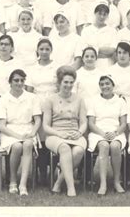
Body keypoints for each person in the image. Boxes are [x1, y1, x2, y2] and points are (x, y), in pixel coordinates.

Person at [42, 66, 87, 197]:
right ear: (59, 83)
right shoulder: (50, 99)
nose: (68, 85)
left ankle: (58, 183)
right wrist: (59, 134)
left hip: (74, 133)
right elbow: (45, 126)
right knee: (65, 148)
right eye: (65, 82)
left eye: (71, 82)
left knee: (78, 151)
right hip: (55, 134)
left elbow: (83, 122)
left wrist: (79, 132)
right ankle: (71, 187)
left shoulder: (79, 99)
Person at [0, 69, 42, 196]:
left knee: (27, 145)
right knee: (16, 146)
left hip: (28, 129)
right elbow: (2, 126)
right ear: (10, 82)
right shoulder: (3, 99)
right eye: (16, 80)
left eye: (22, 80)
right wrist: (18, 136)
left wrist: (32, 133)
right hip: (9, 131)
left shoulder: (32, 98)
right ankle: (12, 181)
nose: (19, 83)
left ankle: (23, 184)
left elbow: (38, 120)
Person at [86, 75, 127, 195]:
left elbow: (124, 123)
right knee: (104, 146)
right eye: (102, 84)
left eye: (108, 83)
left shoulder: (120, 101)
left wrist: (115, 133)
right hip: (98, 133)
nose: (105, 86)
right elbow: (91, 123)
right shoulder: (93, 100)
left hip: (116, 132)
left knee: (114, 146)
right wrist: (103, 134)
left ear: (113, 85)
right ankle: (103, 183)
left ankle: (116, 181)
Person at [25, 38, 58, 185]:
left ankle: (54, 171)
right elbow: (30, 90)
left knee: (54, 139)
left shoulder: (57, 68)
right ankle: (42, 173)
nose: (44, 52)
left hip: (54, 106)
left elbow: (59, 88)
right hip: (37, 106)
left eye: (47, 49)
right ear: (37, 51)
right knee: (41, 142)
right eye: (41, 49)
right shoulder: (32, 68)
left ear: (51, 50)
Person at [80, 3, 117, 68]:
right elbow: (84, 51)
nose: (102, 17)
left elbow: (112, 50)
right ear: (95, 13)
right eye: (99, 14)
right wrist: (104, 52)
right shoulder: (86, 30)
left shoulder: (112, 31)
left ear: (107, 16)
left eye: (104, 14)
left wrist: (93, 49)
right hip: (90, 65)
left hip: (107, 64)